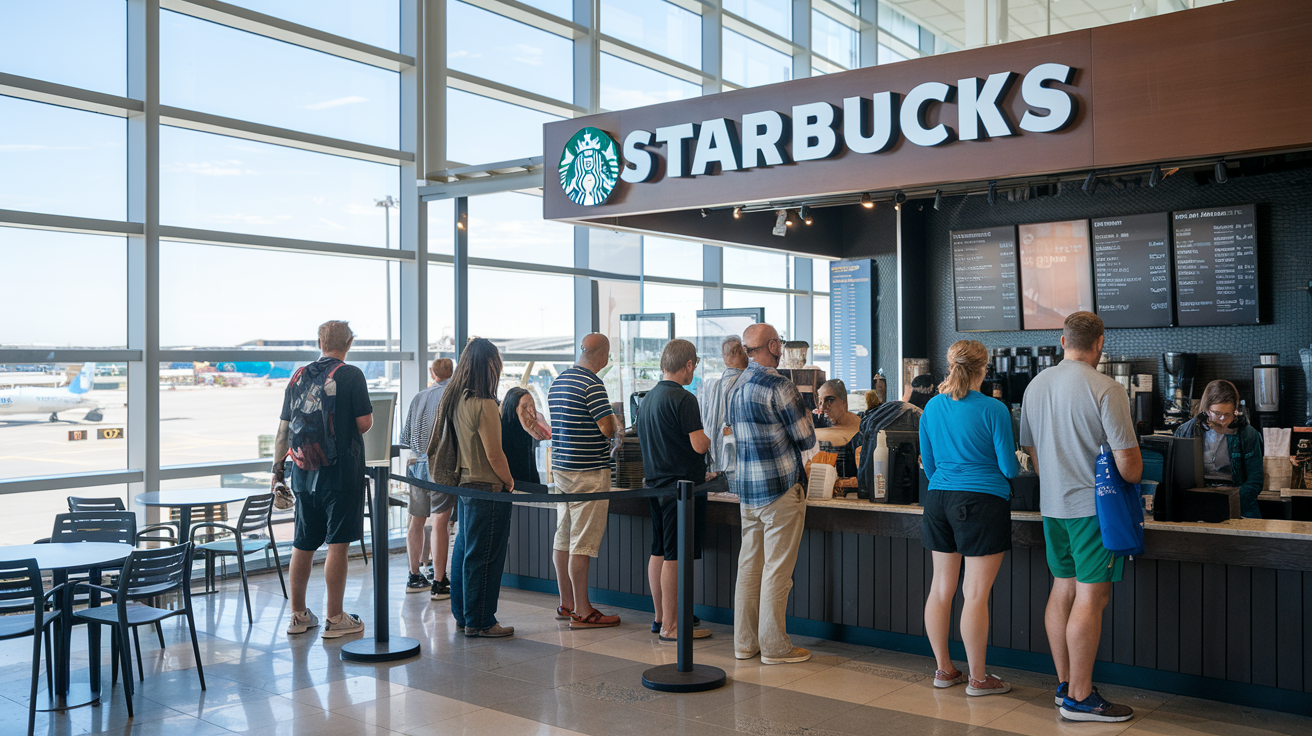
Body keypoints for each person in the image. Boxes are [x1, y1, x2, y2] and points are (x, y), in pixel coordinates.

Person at [1019, 311, 1142, 723]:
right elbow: (1130, 469)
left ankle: (1065, 684)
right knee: (1092, 597)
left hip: (1052, 509)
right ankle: (1080, 698)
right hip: (1093, 512)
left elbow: (1033, 458)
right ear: (1100, 343)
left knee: (1063, 590)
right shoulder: (1107, 389)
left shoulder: (1035, 386)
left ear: (1062, 340)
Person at [919, 340, 1019, 696]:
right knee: (975, 593)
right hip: (981, 501)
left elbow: (928, 465)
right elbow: (1009, 467)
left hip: (938, 500)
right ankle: (978, 678)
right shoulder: (994, 409)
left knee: (941, 588)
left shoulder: (931, 407)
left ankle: (944, 670)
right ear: (984, 367)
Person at [271, 320, 372, 639]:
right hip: (340, 472)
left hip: (303, 472)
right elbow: (364, 422)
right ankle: (335, 618)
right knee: (338, 546)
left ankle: (298, 615)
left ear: (319, 341)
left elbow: (284, 427)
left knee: (303, 543)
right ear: (350, 343)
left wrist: (277, 473)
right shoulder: (351, 374)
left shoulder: (299, 375)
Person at [727, 323, 817, 665]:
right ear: (774, 346)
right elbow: (806, 439)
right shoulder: (780, 386)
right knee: (777, 569)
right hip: (780, 489)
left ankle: (745, 644)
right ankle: (776, 647)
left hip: (748, 492)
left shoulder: (736, 385)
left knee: (748, 568)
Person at [635, 339, 715, 643]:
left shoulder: (648, 398)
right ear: (690, 365)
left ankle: (660, 618)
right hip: (680, 490)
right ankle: (672, 627)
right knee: (675, 556)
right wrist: (712, 436)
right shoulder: (685, 399)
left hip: (654, 485)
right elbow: (698, 444)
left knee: (659, 550)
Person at [437, 337, 517, 638]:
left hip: (466, 485)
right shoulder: (484, 403)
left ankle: (464, 615)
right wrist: (509, 482)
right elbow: (495, 454)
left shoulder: (457, 398)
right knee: (485, 556)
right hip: (488, 487)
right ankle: (481, 621)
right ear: (490, 365)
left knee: (466, 552)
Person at [548, 333, 623, 628]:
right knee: (582, 542)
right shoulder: (593, 384)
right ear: (602, 355)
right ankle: (583, 611)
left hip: (562, 470)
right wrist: (617, 424)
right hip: (588, 474)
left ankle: (566, 603)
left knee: (563, 535)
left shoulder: (559, 381)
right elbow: (606, 428)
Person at [399, 358, 455, 600]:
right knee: (441, 520)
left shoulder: (419, 396)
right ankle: (440, 581)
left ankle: (414, 575)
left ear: (432, 372)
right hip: (440, 464)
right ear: (453, 372)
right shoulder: (453, 396)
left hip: (415, 463)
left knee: (417, 519)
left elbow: (406, 437)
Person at [1175, 379, 1264, 518]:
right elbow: (1176, 478)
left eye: (1228, 414)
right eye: (1217, 413)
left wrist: (1228, 501)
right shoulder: (1186, 431)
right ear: (1205, 410)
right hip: (1197, 503)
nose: (1223, 419)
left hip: (1240, 505)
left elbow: (1255, 481)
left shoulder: (1247, 434)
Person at [698, 335, 749, 476]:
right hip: (744, 463)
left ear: (724, 357)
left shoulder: (712, 386)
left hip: (716, 460)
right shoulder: (750, 384)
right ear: (744, 354)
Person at [501, 386, 548, 486]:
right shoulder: (502, 429)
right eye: (525, 406)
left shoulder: (533, 429)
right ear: (513, 408)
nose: (530, 410)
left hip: (531, 485)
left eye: (532, 405)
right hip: (512, 485)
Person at [817, 379, 860, 478]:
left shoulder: (859, 430)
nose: (823, 407)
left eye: (830, 400)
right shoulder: (819, 424)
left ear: (844, 402)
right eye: (820, 401)